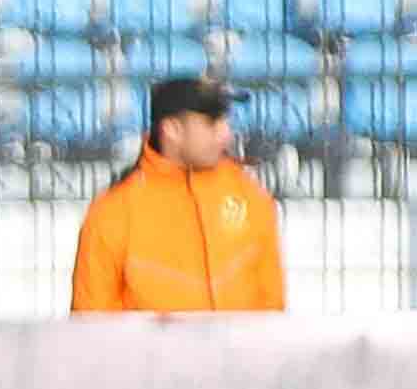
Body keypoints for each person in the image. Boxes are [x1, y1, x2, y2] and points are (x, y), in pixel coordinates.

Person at [71, 78, 283, 313]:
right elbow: (91, 329)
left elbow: (272, 313)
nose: (226, 135)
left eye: (226, 122)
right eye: (212, 123)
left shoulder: (250, 197)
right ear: (172, 129)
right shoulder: (112, 214)